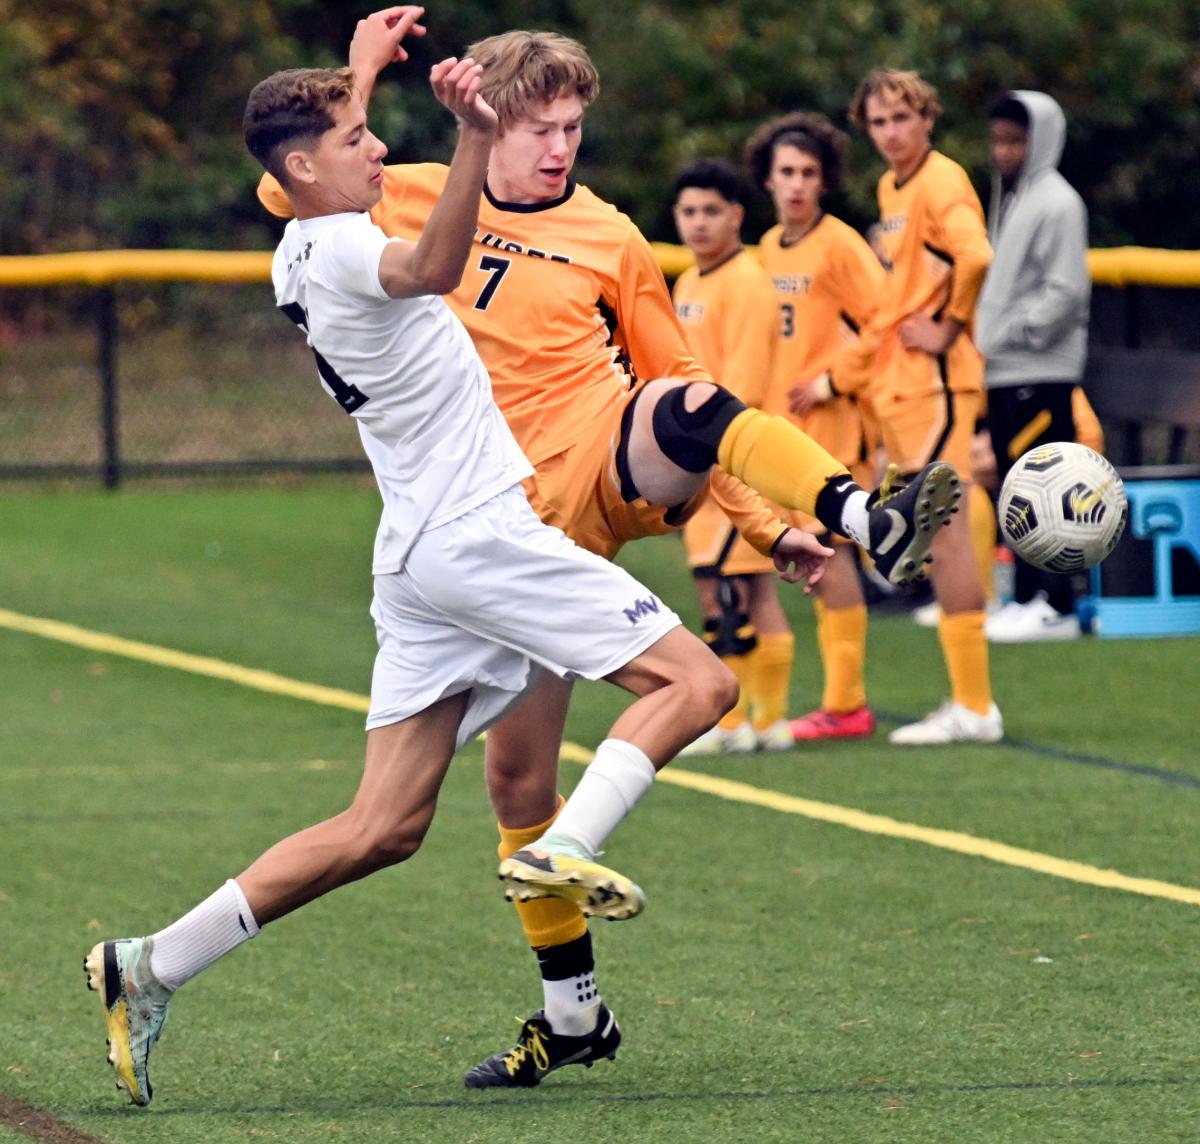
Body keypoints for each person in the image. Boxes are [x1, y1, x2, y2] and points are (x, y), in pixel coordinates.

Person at [83, 44, 823, 1107]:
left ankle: (146, 965)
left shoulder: (303, 243)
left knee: (383, 826)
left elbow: (332, 166)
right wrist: (473, 132)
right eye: (356, 139)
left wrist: (359, 70)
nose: (380, 146)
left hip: (418, 551)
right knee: (701, 685)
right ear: (305, 172)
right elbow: (430, 267)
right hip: (482, 535)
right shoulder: (346, 250)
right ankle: (566, 849)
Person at [260, 15, 960, 1088]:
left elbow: (689, 396)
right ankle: (572, 1014)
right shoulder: (396, 193)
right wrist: (361, 80)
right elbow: (284, 186)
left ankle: (866, 514)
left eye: (573, 126)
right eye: (537, 126)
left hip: (592, 484)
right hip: (484, 528)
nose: (557, 148)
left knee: (680, 405)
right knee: (514, 780)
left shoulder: (612, 237)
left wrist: (774, 526)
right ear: (484, 120)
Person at [847, 68, 1002, 745]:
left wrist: (950, 325)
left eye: (902, 118)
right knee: (935, 530)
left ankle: (974, 705)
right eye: (879, 122)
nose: (890, 133)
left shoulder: (941, 180)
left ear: (928, 119)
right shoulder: (892, 186)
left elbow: (975, 256)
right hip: (905, 382)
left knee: (944, 525)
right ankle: (968, 700)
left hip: (938, 377)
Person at [746, 112, 889, 743]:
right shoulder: (768, 248)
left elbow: (887, 321)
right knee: (814, 562)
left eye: (808, 172)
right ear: (768, 180)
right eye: (786, 172)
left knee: (832, 559)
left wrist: (834, 380)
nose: (797, 184)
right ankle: (837, 700)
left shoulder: (840, 244)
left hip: (831, 422)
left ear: (825, 180)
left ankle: (846, 704)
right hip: (783, 428)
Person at [670, 158, 795, 754]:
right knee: (744, 590)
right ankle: (766, 722)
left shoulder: (747, 283)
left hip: (733, 458)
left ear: (737, 216)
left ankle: (735, 721)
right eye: (689, 211)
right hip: (705, 459)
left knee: (727, 589)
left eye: (710, 211)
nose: (698, 223)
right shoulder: (690, 282)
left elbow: (740, 390)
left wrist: (703, 449)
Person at [975, 90, 1093, 642]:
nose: (1004, 151)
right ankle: (1025, 594)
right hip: (1007, 368)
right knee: (1015, 485)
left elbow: (1067, 289)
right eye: (998, 139)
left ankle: (1056, 602)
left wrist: (1018, 331)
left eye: (1015, 140)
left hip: (1038, 369)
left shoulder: (1058, 202)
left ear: (1041, 139)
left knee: (1044, 486)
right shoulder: (1016, 197)